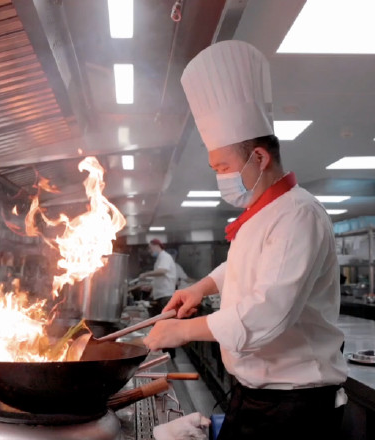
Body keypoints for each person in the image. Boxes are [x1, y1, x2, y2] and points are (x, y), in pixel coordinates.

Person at [143, 40, 348, 440]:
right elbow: (244, 265)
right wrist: (202, 286)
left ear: (259, 158)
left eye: (223, 166)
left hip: (295, 406)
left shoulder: (299, 214)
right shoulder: (263, 214)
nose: (219, 176)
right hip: (256, 395)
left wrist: (183, 331)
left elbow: (267, 314)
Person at [139, 239, 177, 317]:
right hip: (161, 295)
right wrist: (151, 286)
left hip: (166, 295)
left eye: (150, 248)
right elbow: (161, 278)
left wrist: (146, 274)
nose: (149, 251)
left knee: (166, 320)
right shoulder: (160, 258)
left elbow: (162, 271)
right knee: (162, 319)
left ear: (156, 246)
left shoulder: (165, 257)